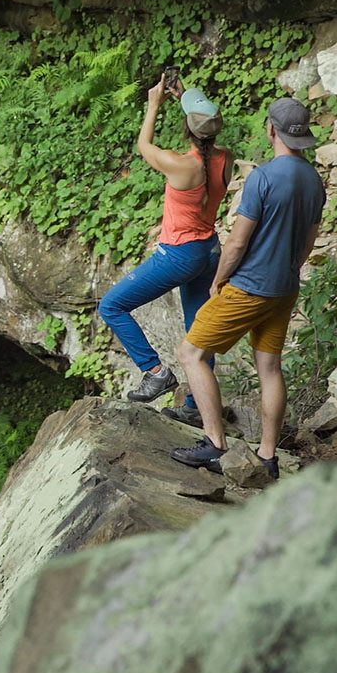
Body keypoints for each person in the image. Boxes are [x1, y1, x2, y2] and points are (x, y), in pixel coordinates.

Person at [170, 98, 326, 479]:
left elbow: (238, 243)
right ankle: (267, 456)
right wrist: (289, 269)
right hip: (284, 288)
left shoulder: (264, 177)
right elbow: (309, 240)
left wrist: (220, 279)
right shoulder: (313, 179)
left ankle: (213, 444)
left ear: (271, 130)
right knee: (270, 367)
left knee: (191, 353)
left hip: (249, 287)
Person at [98, 75, 232, 418]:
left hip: (180, 254)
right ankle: (194, 408)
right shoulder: (225, 159)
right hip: (210, 251)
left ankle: (155, 373)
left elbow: (144, 146)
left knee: (112, 306)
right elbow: (203, 131)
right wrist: (184, 96)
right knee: (198, 329)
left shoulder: (180, 164)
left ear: (187, 129)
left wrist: (154, 104)